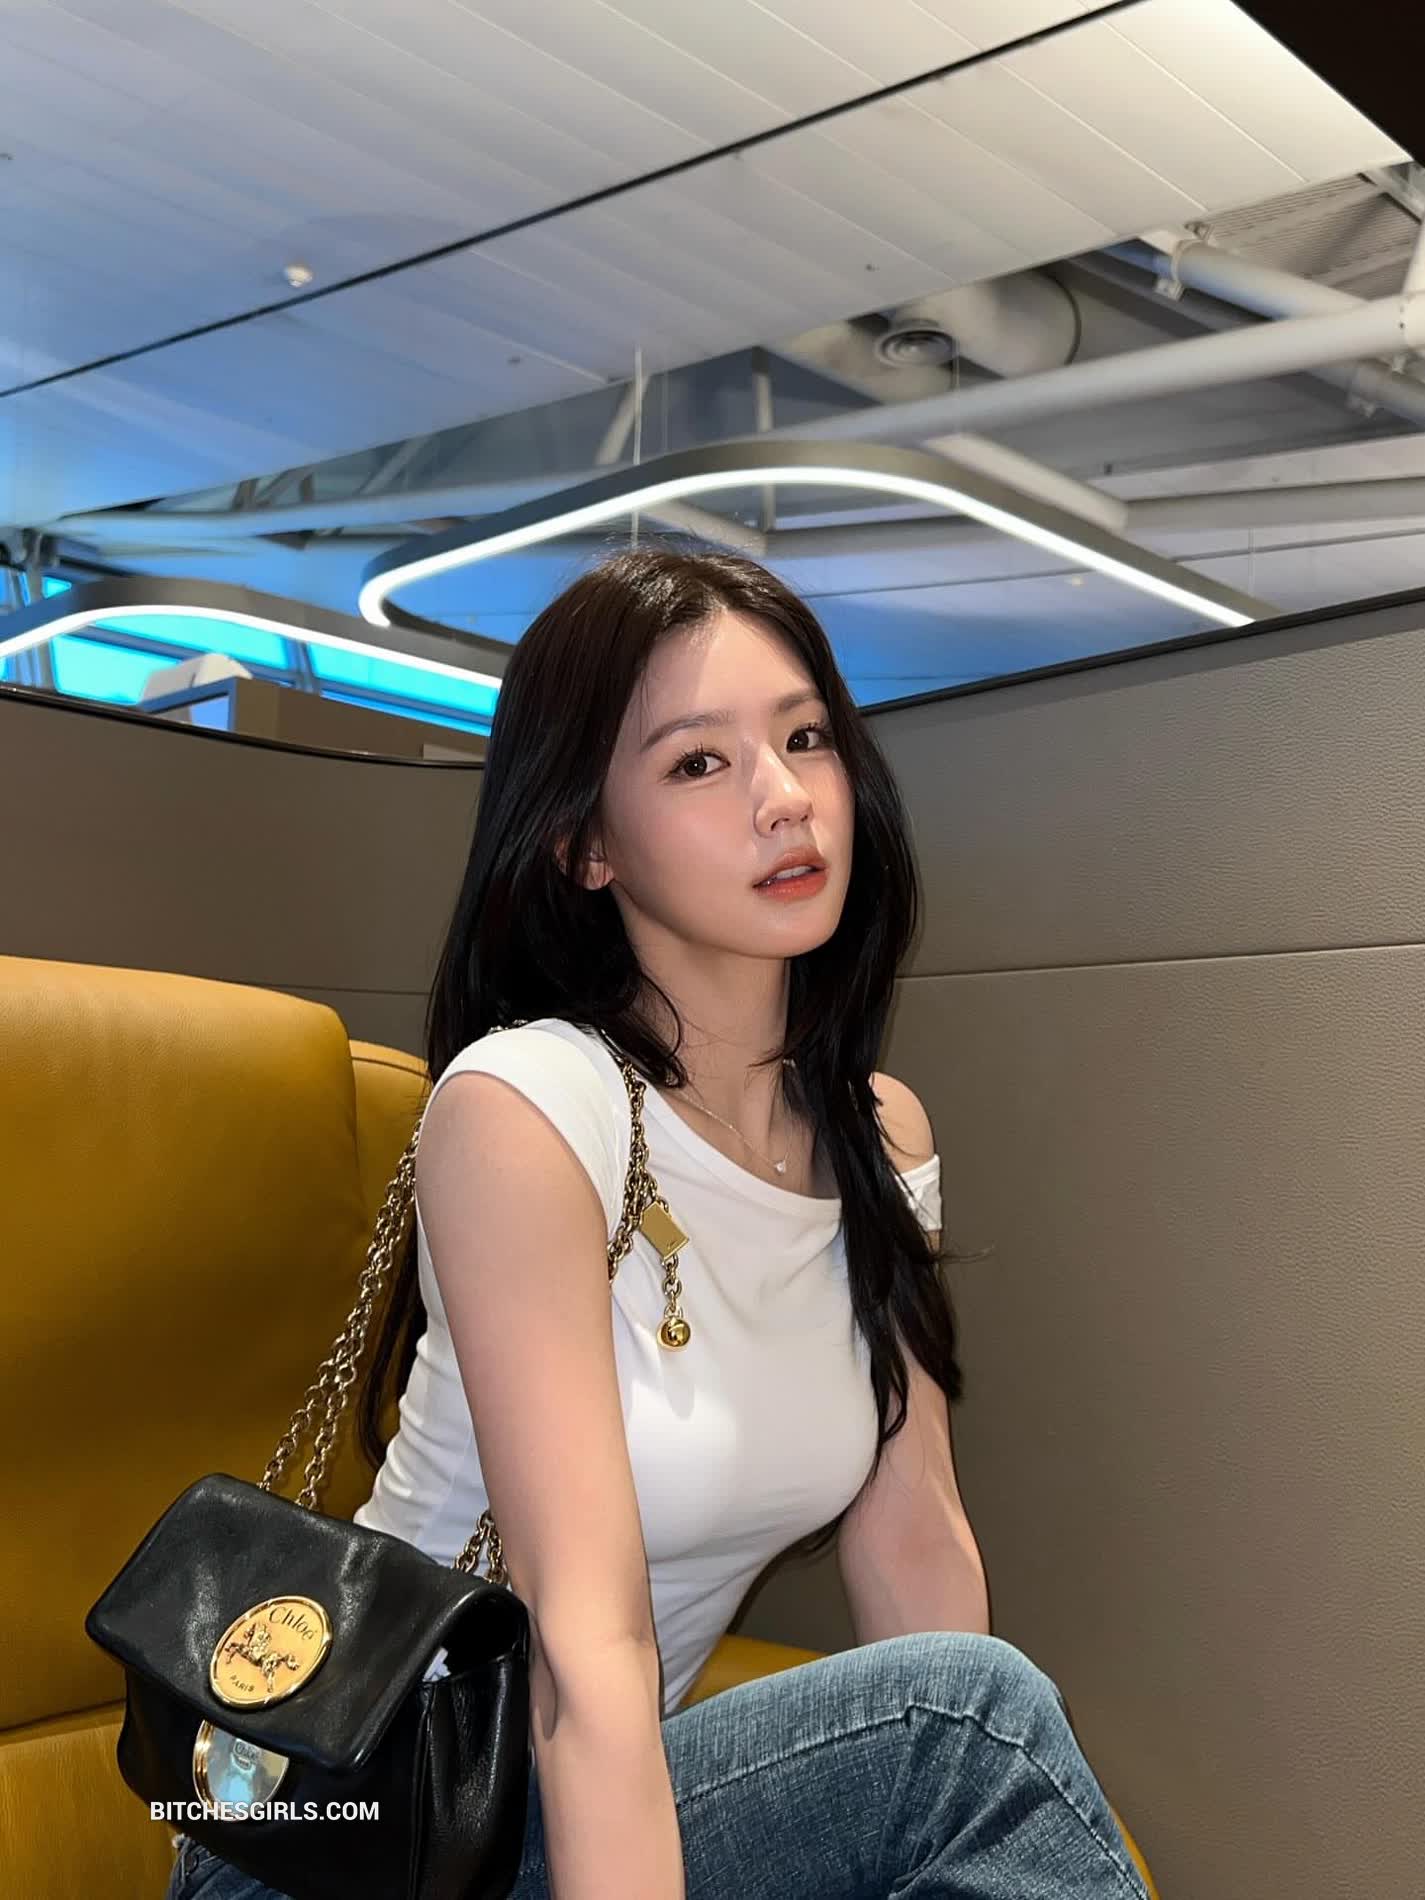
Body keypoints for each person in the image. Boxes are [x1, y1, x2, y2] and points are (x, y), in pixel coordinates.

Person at [168, 547, 1148, 1900]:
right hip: (345, 1837)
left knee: (962, 1713)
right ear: (585, 843)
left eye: (805, 738)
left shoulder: (879, 1137)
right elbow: (584, 1645)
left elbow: (914, 1535)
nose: (784, 797)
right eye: (699, 762)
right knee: (967, 1724)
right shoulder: (525, 1106)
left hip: (572, 1814)